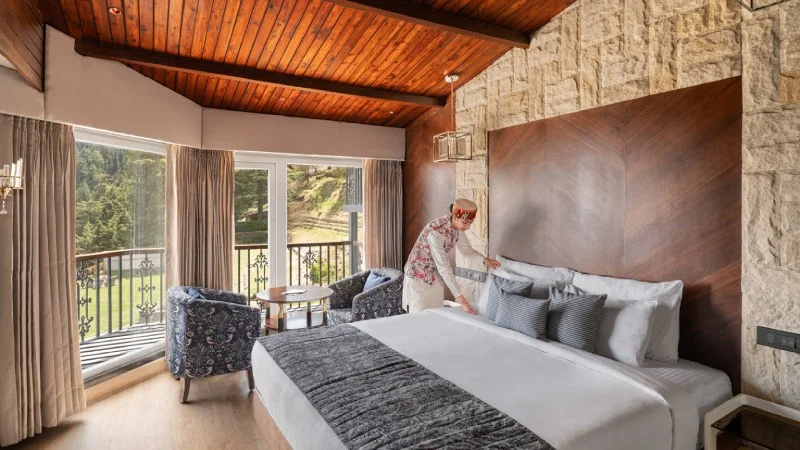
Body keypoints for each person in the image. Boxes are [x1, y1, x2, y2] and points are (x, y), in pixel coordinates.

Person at [403, 198, 500, 314]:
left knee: (435, 314)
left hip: (434, 276)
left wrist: (485, 260)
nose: (468, 227)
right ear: (455, 217)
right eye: (465, 223)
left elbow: (466, 250)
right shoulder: (435, 232)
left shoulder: (457, 228)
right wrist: (463, 301)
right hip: (418, 277)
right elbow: (444, 267)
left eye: (470, 223)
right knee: (419, 316)